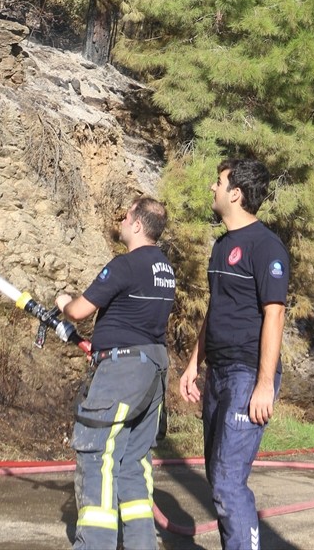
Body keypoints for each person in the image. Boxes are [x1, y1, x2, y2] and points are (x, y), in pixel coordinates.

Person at [179, 158, 289, 550]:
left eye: (219, 182)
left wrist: (263, 385)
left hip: (247, 375)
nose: (213, 187)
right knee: (217, 477)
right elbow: (216, 308)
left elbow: (274, 314)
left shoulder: (266, 246)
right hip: (219, 373)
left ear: (236, 193)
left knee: (227, 481)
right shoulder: (222, 245)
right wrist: (195, 363)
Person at [56, 196, 176, 550]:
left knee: (98, 456)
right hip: (151, 372)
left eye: (126, 216)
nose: (121, 220)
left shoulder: (125, 265)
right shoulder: (164, 268)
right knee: (134, 464)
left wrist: (62, 301)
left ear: (137, 225)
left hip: (122, 373)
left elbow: (79, 311)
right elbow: (134, 318)